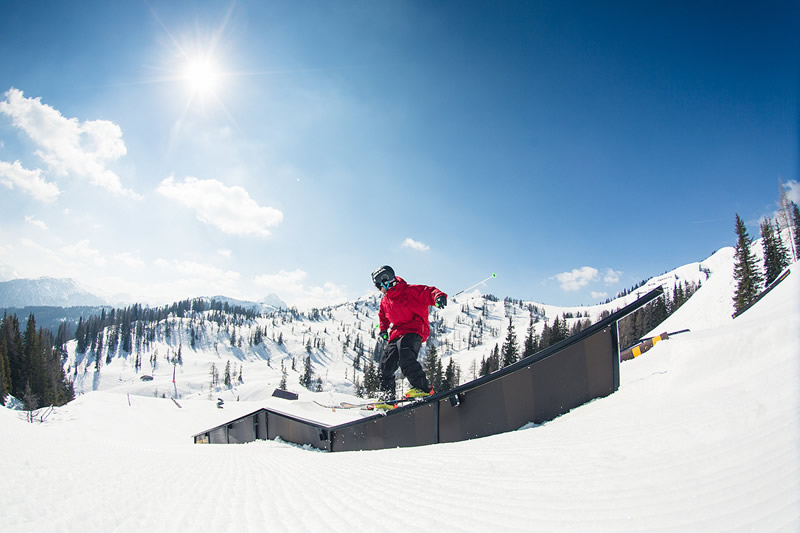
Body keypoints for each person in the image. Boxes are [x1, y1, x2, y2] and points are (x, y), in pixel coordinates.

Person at [371, 265, 447, 403]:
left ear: (385, 280)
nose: (378, 289)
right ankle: (387, 396)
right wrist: (383, 330)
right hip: (397, 332)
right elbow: (383, 316)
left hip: (415, 328)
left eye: (378, 286)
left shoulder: (411, 291)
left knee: (405, 352)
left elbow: (428, 292)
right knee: (386, 363)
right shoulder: (385, 301)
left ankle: (422, 388)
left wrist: (438, 297)